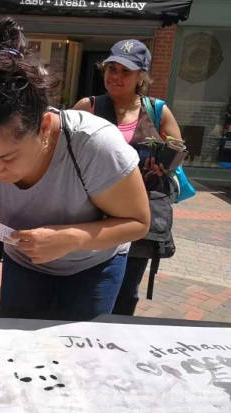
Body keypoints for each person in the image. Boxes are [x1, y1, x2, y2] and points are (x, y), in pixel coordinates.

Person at [0, 17, 151, 320]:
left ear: (45, 127)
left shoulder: (95, 144)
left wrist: (73, 237)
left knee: (77, 346)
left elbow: (138, 222)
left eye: (8, 159)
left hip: (93, 267)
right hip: (23, 264)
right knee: (16, 340)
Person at [74, 39, 183, 316]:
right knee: (84, 279)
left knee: (126, 287)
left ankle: (118, 333)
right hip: (90, 210)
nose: (116, 76)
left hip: (136, 213)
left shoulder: (157, 110)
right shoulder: (88, 107)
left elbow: (178, 150)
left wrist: (165, 164)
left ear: (141, 77)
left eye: (126, 71)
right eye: (112, 68)